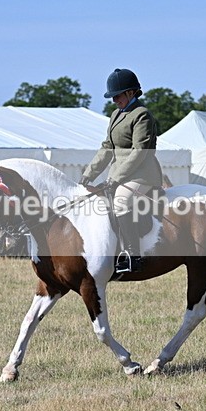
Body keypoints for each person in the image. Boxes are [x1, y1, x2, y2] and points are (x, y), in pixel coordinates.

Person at [79, 68, 162, 273]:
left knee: (121, 201)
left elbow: (139, 151)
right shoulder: (116, 114)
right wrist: (87, 176)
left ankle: (133, 256)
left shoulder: (142, 115)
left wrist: (115, 178)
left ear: (131, 93)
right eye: (112, 97)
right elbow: (107, 148)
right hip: (120, 175)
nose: (114, 100)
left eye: (117, 95)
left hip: (142, 174)